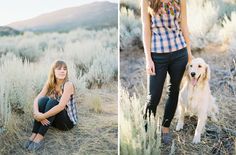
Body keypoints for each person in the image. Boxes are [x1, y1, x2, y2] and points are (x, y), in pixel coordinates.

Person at [141, 0, 193, 144]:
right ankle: (146, 131)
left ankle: (165, 129)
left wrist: (188, 52)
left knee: (174, 90)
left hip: (179, 53)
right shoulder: (147, 1)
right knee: (153, 97)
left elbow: (184, 25)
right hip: (157, 55)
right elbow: (146, 28)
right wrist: (148, 59)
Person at [23, 60, 78, 151]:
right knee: (42, 100)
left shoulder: (68, 85)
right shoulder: (50, 83)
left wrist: (42, 116)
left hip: (67, 123)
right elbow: (37, 99)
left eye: (65, 69)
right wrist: (36, 112)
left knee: (52, 102)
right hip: (53, 120)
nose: (62, 71)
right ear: (53, 71)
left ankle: (39, 138)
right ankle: (34, 134)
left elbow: (60, 106)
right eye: (59, 68)